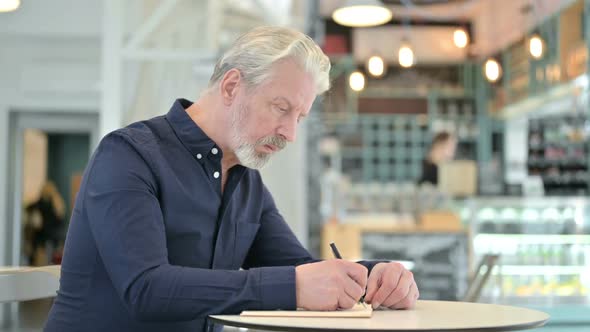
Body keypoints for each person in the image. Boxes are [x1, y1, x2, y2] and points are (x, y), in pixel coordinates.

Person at [44, 26, 418, 332]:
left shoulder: (245, 181)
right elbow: (146, 289)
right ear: (231, 87)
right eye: (281, 108)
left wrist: (376, 278)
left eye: (299, 118)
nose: (289, 133)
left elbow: (302, 268)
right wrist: (294, 287)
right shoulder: (128, 155)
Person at [25, 181, 65, 265]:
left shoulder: (42, 203)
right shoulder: (58, 204)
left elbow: (28, 208)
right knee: (52, 263)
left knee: (41, 264)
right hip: (55, 238)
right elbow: (61, 223)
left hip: (43, 237)